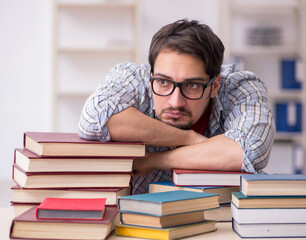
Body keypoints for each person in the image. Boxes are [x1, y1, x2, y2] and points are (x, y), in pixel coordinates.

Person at [78, 19, 275, 195]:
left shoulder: (239, 87)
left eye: (192, 85)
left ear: (214, 85)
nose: (175, 102)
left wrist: (154, 161)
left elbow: (251, 150)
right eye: (163, 82)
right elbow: (93, 118)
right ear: (150, 77)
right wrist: (188, 138)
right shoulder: (135, 78)